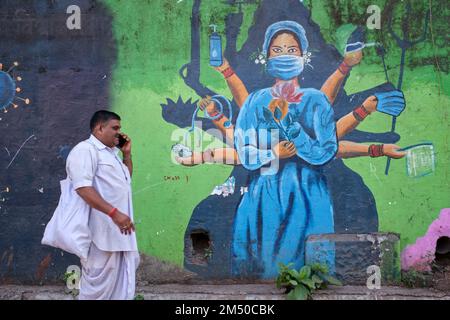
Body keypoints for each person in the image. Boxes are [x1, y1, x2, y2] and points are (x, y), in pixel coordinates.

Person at [178, 21, 406, 278]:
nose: (284, 55)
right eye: (277, 50)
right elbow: (244, 151)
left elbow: (325, 150)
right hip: (261, 194)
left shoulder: (315, 100)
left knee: (310, 268)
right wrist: (273, 153)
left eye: (291, 49)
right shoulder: (255, 102)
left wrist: (294, 131)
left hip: (308, 193)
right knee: (258, 267)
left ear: (303, 55)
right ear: (266, 57)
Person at [66, 110, 139, 299]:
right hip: (100, 232)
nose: (119, 133)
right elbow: (83, 188)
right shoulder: (85, 150)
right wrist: (114, 213)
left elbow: (125, 181)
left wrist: (127, 155)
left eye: (119, 128)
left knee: (121, 285)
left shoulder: (112, 153)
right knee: (97, 287)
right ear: (99, 128)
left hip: (119, 231)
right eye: (115, 128)